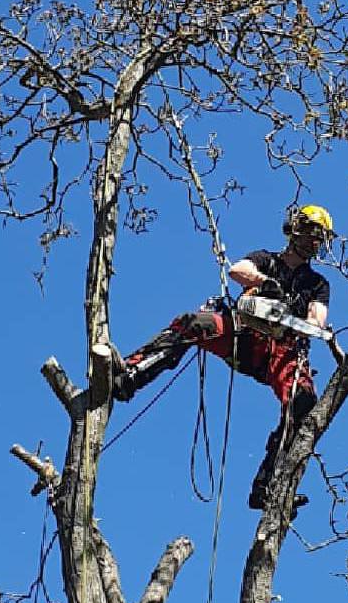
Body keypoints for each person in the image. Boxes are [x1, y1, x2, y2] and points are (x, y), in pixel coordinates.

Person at [103, 205, 334, 509]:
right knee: (195, 324)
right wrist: (265, 284)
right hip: (243, 334)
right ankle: (133, 373)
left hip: (281, 351)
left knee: (304, 404)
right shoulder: (267, 259)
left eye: (318, 238)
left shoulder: (316, 284)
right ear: (294, 229)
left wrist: (302, 321)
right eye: (309, 233)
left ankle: (271, 484)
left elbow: (317, 320)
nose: (311, 242)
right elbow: (238, 269)